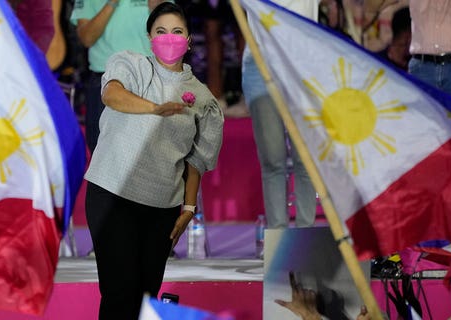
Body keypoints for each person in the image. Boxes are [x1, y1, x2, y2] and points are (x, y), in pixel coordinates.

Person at [84, 2, 224, 318]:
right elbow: (112, 95)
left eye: (177, 31)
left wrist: (188, 207)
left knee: (146, 297)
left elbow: (197, 159)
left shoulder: (202, 98)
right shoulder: (130, 64)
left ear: (189, 40)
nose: (169, 38)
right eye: (161, 31)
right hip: (112, 195)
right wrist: (154, 108)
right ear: (150, 38)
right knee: (120, 293)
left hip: (162, 208)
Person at [241, 1, 323, 229]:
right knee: (273, 160)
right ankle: (278, 238)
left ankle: (305, 236)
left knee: (305, 160)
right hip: (260, 65)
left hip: (302, 66)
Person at [70, 0, 165, 153]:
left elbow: (171, 33)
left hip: (149, 79)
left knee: (151, 157)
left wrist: (157, 9)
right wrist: (112, 3)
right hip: (106, 81)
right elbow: (86, 38)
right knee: (102, 156)